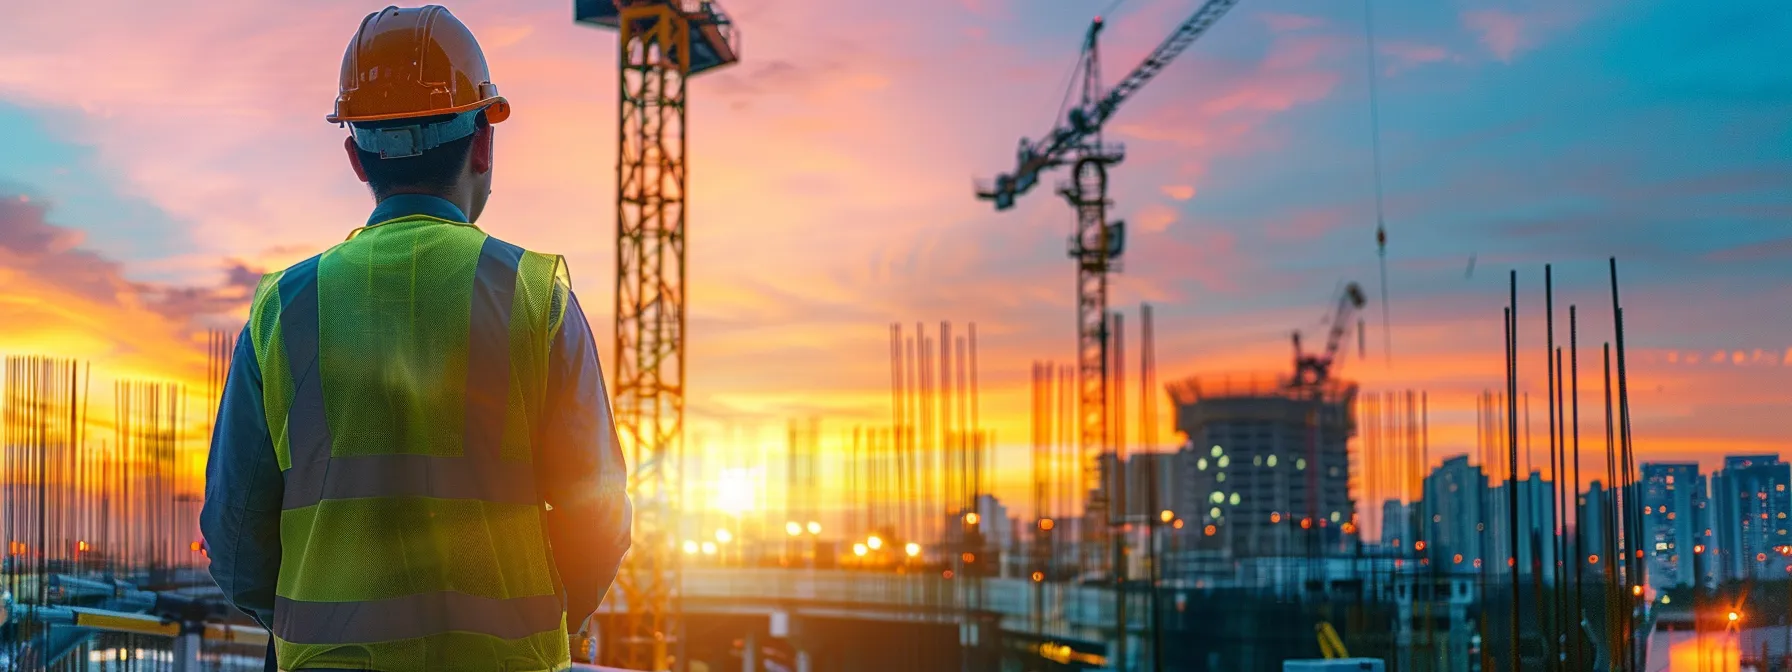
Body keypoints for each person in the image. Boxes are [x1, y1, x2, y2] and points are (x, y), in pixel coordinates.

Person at [200, 6, 631, 671]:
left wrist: (315, 630)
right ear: (483, 143)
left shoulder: (285, 310)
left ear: (354, 156)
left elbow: (234, 540)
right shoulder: (535, 297)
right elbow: (597, 518)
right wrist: (527, 617)